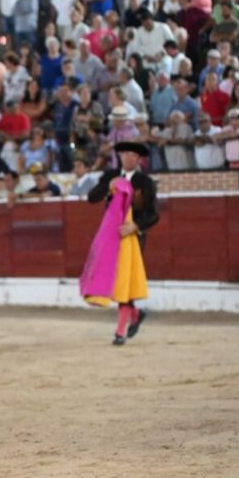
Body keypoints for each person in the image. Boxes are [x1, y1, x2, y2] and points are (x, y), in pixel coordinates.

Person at [81, 141, 159, 346]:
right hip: (113, 235)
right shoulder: (110, 176)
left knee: (125, 279)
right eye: (126, 154)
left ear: (139, 159)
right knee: (115, 279)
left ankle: (120, 330)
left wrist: (135, 226)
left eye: (134, 155)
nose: (129, 158)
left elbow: (153, 215)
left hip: (133, 236)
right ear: (120, 156)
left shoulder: (145, 182)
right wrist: (107, 186)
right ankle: (135, 313)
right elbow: (91, 198)